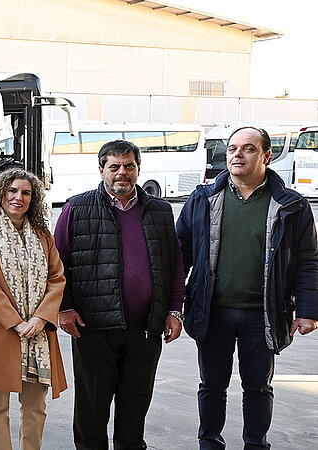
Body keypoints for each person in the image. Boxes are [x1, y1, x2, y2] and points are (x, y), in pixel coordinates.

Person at [176, 126, 318, 449]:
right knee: (211, 386)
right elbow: (178, 252)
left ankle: (256, 444)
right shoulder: (203, 199)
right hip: (213, 312)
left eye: (248, 149)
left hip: (263, 315)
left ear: (266, 156)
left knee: (258, 388)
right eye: (232, 149)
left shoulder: (291, 205)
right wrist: (174, 305)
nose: (237, 154)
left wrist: (309, 310)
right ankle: (209, 442)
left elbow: (308, 261)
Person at [54, 139, 186, 450]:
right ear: (102, 170)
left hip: (145, 328)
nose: (122, 173)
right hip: (93, 327)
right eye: (114, 167)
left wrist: (174, 310)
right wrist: (64, 307)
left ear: (139, 170)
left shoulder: (160, 211)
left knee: (135, 407)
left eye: (129, 166)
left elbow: (175, 262)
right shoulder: (77, 207)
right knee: (92, 409)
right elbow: (57, 263)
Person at [0, 168, 67, 450]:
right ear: (0, 195)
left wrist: (40, 318)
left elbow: (57, 279)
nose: (18, 198)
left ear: (33, 199)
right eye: (12, 191)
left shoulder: (44, 236)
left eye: (25, 193)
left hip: (38, 334)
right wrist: (16, 322)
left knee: (36, 407)